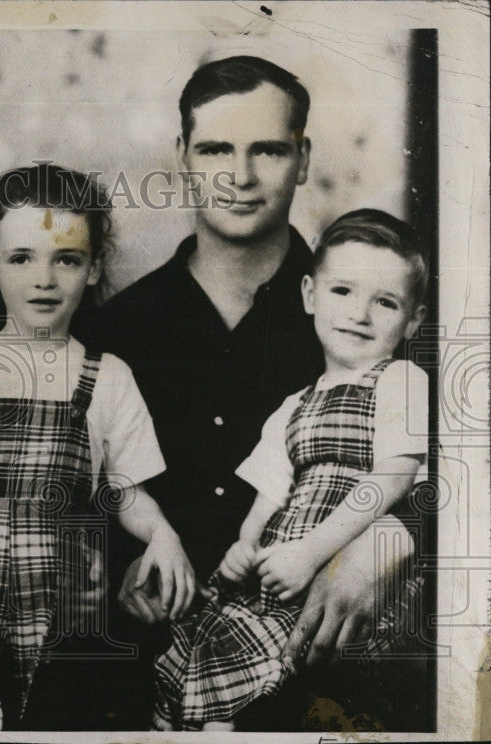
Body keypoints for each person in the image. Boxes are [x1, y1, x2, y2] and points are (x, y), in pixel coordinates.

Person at [95, 56, 424, 730]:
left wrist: (388, 540)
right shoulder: (118, 328)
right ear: (181, 156)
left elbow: (458, 485)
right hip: (151, 674)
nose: (240, 177)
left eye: (267, 150)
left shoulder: (366, 318)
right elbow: (80, 488)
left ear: (302, 159)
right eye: (216, 149)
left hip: (327, 673)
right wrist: (119, 566)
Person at [0, 164, 194, 730]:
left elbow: (127, 492)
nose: (44, 278)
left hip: (66, 633)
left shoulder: (108, 377)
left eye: (67, 259)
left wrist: (162, 532)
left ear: (94, 267)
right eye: (22, 258)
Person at [152, 209, 429, 731]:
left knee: (301, 680)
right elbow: (270, 494)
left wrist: (311, 551)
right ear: (309, 295)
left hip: (344, 560)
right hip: (284, 563)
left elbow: (392, 477)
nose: (359, 315)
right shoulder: (293, 405)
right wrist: (246, 545)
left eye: (385, 302)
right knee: (210, 638)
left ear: (413, 320)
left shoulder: (401, 380)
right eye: (342, 291)